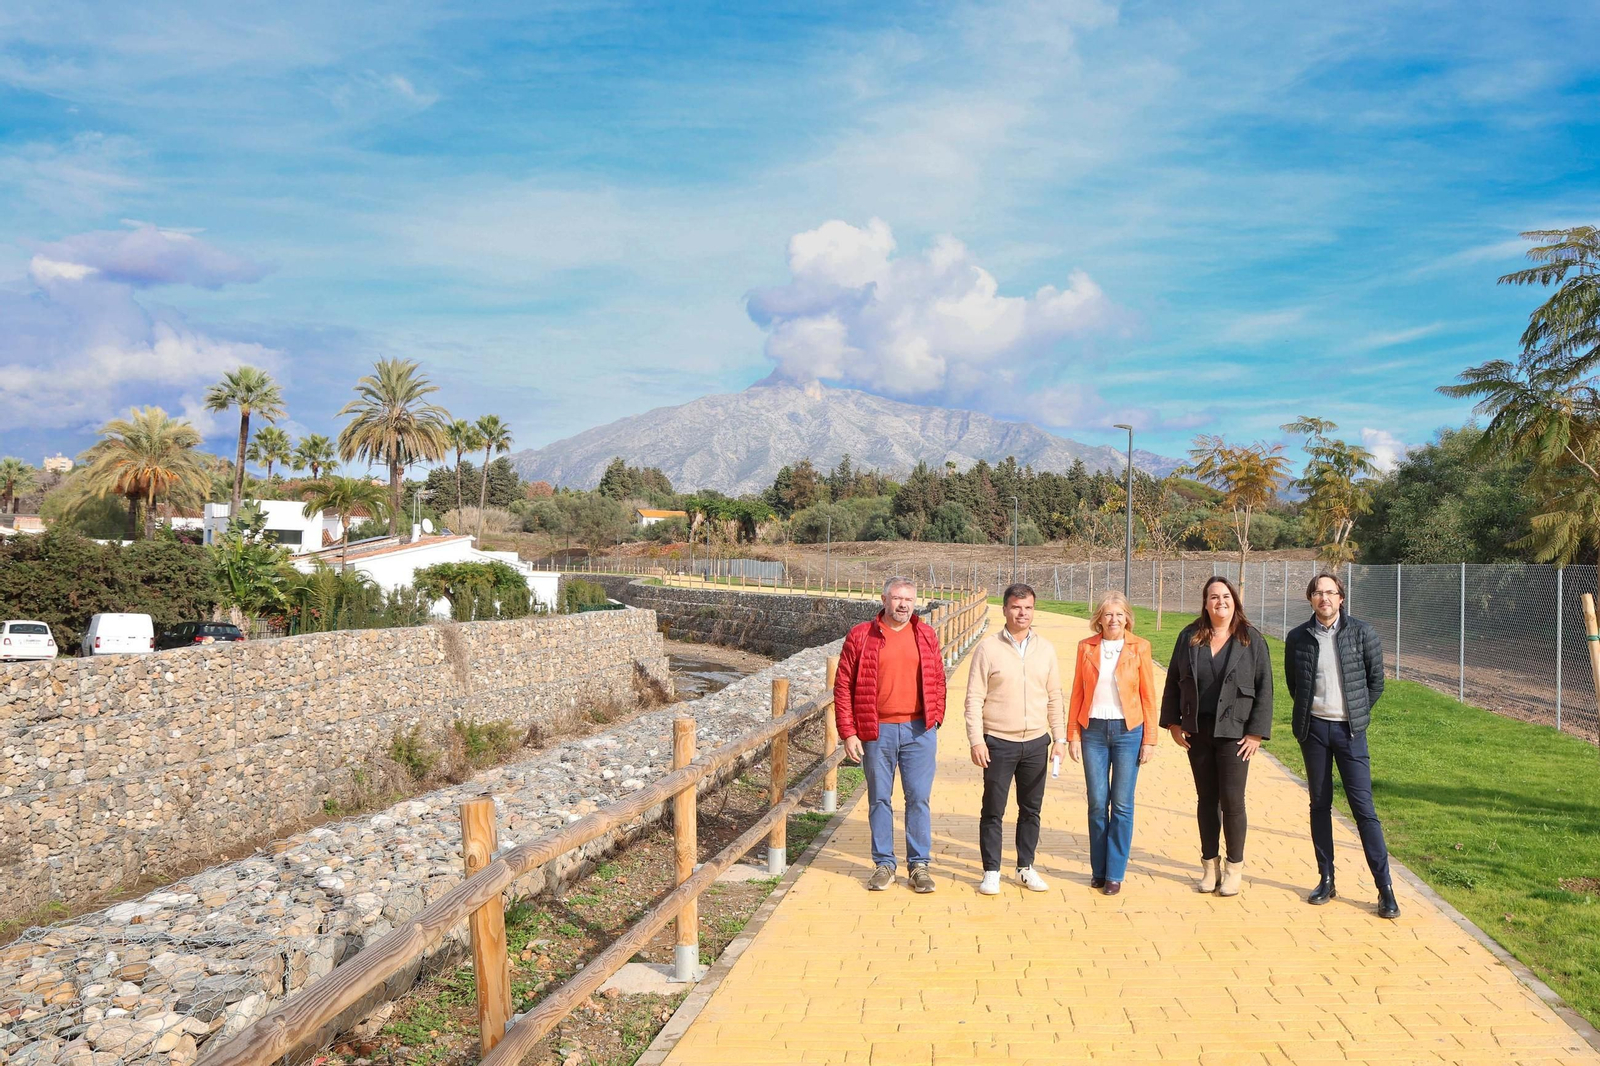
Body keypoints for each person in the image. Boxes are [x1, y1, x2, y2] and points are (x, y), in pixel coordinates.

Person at [1284, 572, 1400, 919]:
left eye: (1330, 592)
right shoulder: (1298, 638)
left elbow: (1376, 682)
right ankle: (1326, 879)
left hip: (1351, 733)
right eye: (1318, 593)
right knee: (1319, 805)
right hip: (1315, 731)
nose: (1325, 598)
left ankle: (1385, 889)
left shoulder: (1363, 633)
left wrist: (1356, 712)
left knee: (1364, 810)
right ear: (1310, 599)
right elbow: (1295, 685)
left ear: (1341, 598)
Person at [1159, 576, 1272, 897]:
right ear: (1205, 603)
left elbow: (1265, 687)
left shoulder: (1251, 639)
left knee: (1233, 801)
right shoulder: (1189, 637)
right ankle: (1210, 866)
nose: (1220, 602)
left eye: (1225, 596)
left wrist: (1256, 733)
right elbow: (1172, 680)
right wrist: (1173, 723)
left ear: (1234, 601)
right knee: (1206, 801)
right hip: (1197, 731)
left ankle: (1235, 868)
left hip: (1235, 734)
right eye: (1213, 597)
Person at [836, 576, 948, 893]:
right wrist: (849, 732)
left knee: (919, 798)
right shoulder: (861, 635)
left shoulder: (925, 634)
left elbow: (938, 679)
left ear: (915, 603)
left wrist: (936, 717)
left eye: (909, 600)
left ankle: (919, 865)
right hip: (876, 731)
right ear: (884, 599)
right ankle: (884, 864)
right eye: (897, 598)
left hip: (919, 730)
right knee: (879, 799)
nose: (903, 605)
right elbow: (843, 686)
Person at [964, 583, 1065, 895]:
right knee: (993, 810)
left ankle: (1025, 867)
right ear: (1005, 609)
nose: (1022, 613)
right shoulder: (988, 649)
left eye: (1028, 608)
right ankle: (991, 871)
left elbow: (1054, 697)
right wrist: (976, 740)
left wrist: (1059, 738)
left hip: (1036, 742)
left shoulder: (1046, 649)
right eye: (1016, 607)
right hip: (998, 742)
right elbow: (973, 698)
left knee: (1031, 809)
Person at [1066, 591, 1159, 895]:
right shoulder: (1086, 647)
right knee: (1097, 803)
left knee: (1121, 804)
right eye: (1108, 614)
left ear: (1127, 618)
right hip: (1092, 731)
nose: (1114, 619)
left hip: (1128, 732)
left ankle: (1115, 873)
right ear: (1099, 618)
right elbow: (1077, 692)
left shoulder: (1139, 647)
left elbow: (1148, 695)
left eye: (1119, 614)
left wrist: (1150, 739)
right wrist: (1073, 734)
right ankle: (1099, 869)